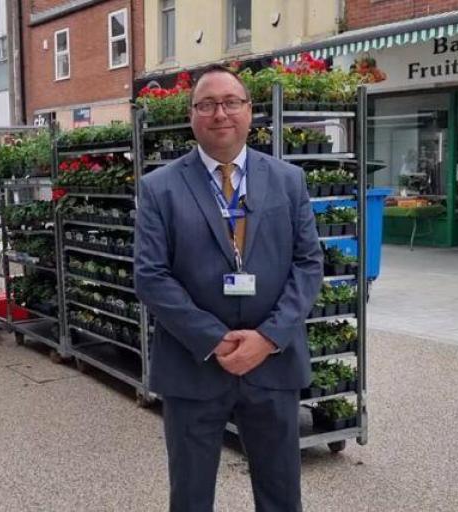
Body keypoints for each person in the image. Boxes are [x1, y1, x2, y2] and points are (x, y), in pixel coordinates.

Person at [134, 64, 323, 512]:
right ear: (192, 115)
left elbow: (308, 263)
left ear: (249, 112)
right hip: (193, 365)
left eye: (231, 102)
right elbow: (151, 276)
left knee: (281, 493)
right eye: (207, 104)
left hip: (273, 365)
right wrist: (215, 339)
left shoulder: (287, 180)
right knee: (191, 495)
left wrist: (269, 338)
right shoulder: (159, 188)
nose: (220, 113)